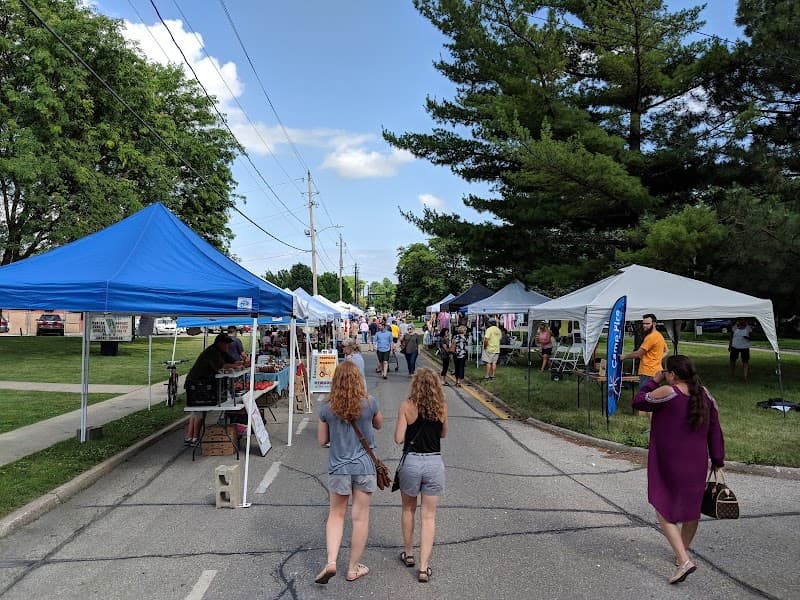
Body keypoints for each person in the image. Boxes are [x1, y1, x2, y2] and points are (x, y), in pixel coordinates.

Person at [632, 355, 725, 585]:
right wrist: (718, 459)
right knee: (691, 510)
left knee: (662, 506)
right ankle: (681, 553)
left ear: (672, 374)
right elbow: (715, 428)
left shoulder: (668, 392)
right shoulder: (705, 394)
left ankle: (684, 560)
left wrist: (653, 381)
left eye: (666, 371)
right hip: (697, 461)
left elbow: (639, 401)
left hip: (670, 460)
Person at [315, 361, 384, 584]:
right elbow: (379, 425)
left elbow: (322, 440)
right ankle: (353, 568)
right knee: (360, 518)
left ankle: (331, 561)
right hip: (364, 467)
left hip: (338, 467)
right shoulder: (369, 403)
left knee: (336, 515)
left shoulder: (327, 408)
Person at [394, 367, 448, 583]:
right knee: (429, 516)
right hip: (434, 462)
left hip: (412, 462)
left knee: (408, 509)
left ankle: (408, 553)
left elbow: (398, 439)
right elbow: (443, 433)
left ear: (415, 385)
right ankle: (424, 568)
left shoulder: (406, 406)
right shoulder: (441, 407)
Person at [183, 333, 242, 445]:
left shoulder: (221, 351)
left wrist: (240, 362)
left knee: (195, 411)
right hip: (197, 383)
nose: (227, 347)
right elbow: (222, 366)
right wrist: (237, 366)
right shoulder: (212, 351)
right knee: (199, 410)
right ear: (220, 343)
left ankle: (190, 437)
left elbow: (232, 361)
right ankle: (194, 438)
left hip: (203, 382)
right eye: (226, 344)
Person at [621, 313, 669, 388]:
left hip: (648, 373)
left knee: (644, 397)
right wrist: (657, 358)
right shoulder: (659, 335)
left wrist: (624, 357)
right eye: (643, 323)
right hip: (657, 372)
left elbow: (638, 354)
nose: (645, 325)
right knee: (653, 396)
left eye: (647, 323)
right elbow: (666, 351)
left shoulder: (651, 337)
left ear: (654, 324)